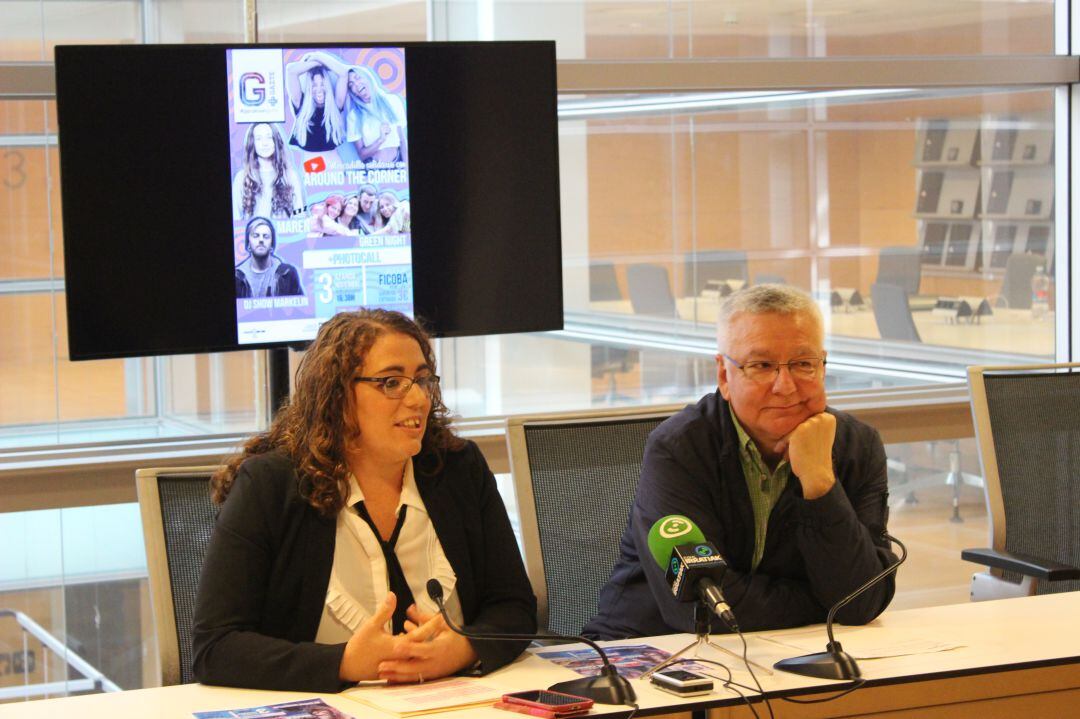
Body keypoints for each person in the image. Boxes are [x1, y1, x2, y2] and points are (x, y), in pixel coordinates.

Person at [192, 310, 537, 691]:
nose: (419, 398)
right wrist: (343, 663)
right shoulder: (271, 485)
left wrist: (461, 650)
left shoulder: (457, 468)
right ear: (337, 396)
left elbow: (514, 606)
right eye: (392, 382)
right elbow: (217, 647)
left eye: (422, 379)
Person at [584, 284, 896, 639]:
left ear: (823, 367)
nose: (785, 386)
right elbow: (701, 607)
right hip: (648, 651)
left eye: (803, 364)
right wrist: (823, 603)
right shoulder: (679, 448)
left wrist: (820, 482)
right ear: (724, 376)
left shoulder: (858, 446)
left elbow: (863, 601)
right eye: (761, 365)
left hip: (791, 652)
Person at [232, 122, 304, 220]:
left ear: (276, 141)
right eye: (259, 138)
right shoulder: (242, 178)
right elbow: (236, 217)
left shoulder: (290, 176)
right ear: (252, 143)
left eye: (269, 137)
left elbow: (299, 213)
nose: (264, 143)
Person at [339, 65, 408, 164]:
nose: (356, 84)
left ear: (368, 78)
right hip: (374, 169)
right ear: (353, 92)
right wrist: (381, 139)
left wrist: (406, 171)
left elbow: (402, 140)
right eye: (351, 85)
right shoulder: (353, 116)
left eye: (358, 78)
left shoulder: (392, 100)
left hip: (398, 163)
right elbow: (362, 155)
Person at [286, 53, 347, 153]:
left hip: (334, 164)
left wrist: (318, 56)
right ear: (309, 88)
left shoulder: (336, 105)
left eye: (322, 84)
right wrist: (318, 63)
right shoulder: (300, 103)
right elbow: (291, 71)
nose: (319, 90)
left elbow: (343, 73)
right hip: (302, 165)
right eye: (314, 85)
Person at [234, 217, 303, 298]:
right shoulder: (237, 276)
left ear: (272, 245)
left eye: (266, 236)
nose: (261, 240)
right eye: (256, 236)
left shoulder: (288, 273)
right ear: (248, 244)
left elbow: (300, 307)